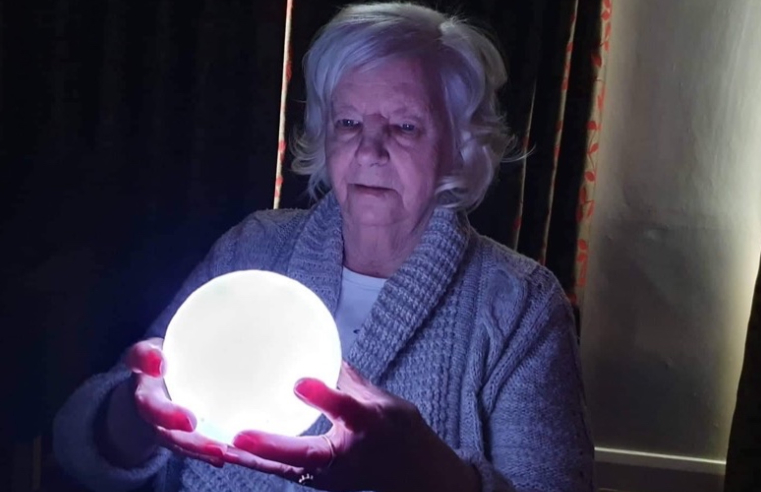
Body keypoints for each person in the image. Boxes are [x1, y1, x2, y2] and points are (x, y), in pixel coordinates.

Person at [53, 2, 594, 491]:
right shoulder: (254, 249)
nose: (370, 149)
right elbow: (81, 449)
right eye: (349, 122)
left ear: (458, 148)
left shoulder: (520, 305)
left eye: (405, 126)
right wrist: (132, 415)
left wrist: (430, 473)